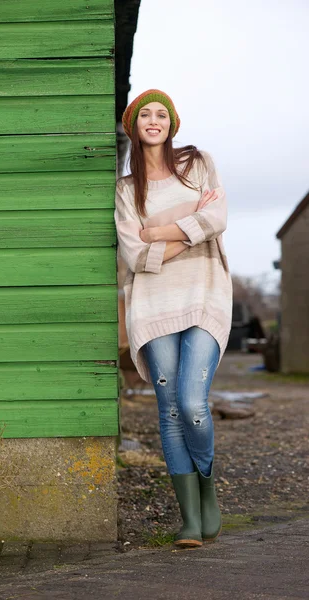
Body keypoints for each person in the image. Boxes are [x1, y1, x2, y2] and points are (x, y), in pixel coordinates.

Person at [114, 89, 233, 548]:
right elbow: (134, 252)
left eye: (162, 113)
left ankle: (207, 485)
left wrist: (163, 231)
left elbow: (217, 218)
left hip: (204, 294)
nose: (154, 120)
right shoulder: (126, 190)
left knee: (192, 404)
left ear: (171, 123)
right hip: (153, 304)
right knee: (168, 411)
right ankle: (190, 518)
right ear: (134, 125)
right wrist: (191, 227)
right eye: (146, 113)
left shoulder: (197, 163)